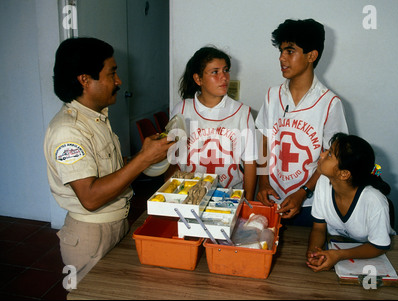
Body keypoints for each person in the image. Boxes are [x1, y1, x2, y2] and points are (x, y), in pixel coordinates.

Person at [44, 37, 173, 284]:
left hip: (116, 224)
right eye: (111, 73)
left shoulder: (96, 119)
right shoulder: (68, 131)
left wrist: (144, 155)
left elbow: (110, 170)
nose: (118, 81)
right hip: (91, 235)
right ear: (84, 80)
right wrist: (144, 159)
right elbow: (90, 198)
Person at [255, 18, 348, 225]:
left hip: (310, 204)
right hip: (271, 196)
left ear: (311, 56)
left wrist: (303, 192)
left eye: (290, 51)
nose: (281, 58)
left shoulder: (330, 103)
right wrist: (263, 182)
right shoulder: (272, 95)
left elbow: (332, 158)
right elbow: (263, 142)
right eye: (280, 51)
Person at [168, 46, 257, 200]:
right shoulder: (182, 109)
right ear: (198, 79)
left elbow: (250, 163)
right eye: (215, 72)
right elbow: (170, 156)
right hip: (188, 195)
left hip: (229, 196)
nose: (224, 77)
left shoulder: (242, 112)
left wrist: (248, 201)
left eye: (226, 70)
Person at [306, 133, 395, 272]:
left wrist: (340, 255)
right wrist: (314, 253)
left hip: (371, 257)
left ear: (344, 174)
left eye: (330, 155)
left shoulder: (374, 201)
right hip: (336, 248)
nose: (322, 155)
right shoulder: (323, 181)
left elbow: (379, 246)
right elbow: (318, 228)